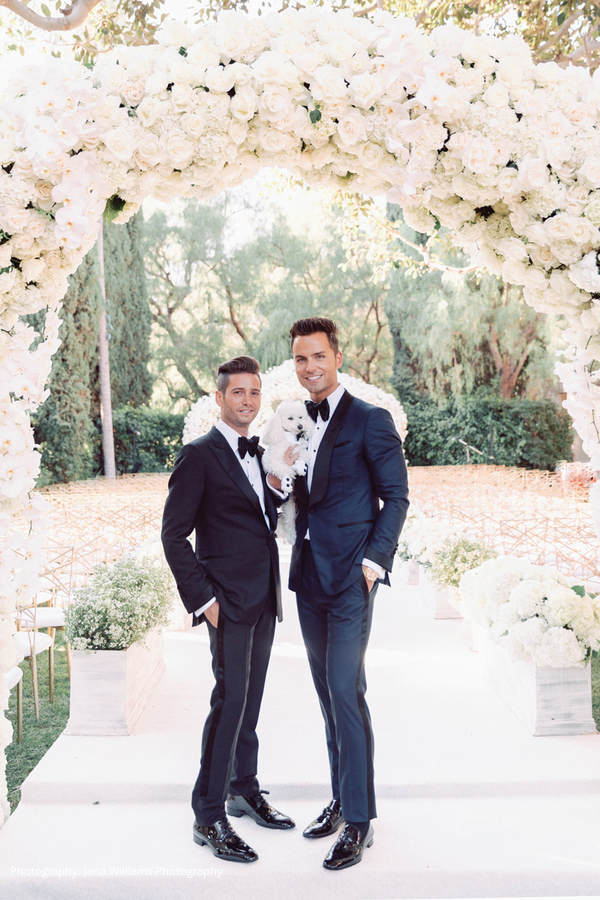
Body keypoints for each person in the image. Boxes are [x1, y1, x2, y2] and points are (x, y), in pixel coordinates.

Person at [270, 317, 409, 871]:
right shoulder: (295, 421)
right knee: (327, 694)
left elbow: (396, 497)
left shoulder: (372, 421)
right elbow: (291, 491)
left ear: (338, 356)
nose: (310, 368)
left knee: (347, 693)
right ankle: (339, 797)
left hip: (353, 576)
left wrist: (374, 563)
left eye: (318, 357)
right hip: (308, 575)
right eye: (301, 359)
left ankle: (360, 820)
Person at [161, 355, 295, 865]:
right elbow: (174, 536)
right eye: (237, 392)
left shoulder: (260, 452)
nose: (247, 401)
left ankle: (243, 789)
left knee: (251, 699)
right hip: (226, 603)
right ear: (220, 399)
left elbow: (259, 517)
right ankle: (208, 814)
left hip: (264, 598)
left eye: (254, 393)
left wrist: (279, 493)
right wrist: (205, 601)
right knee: (229, 701)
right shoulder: (198, 456)